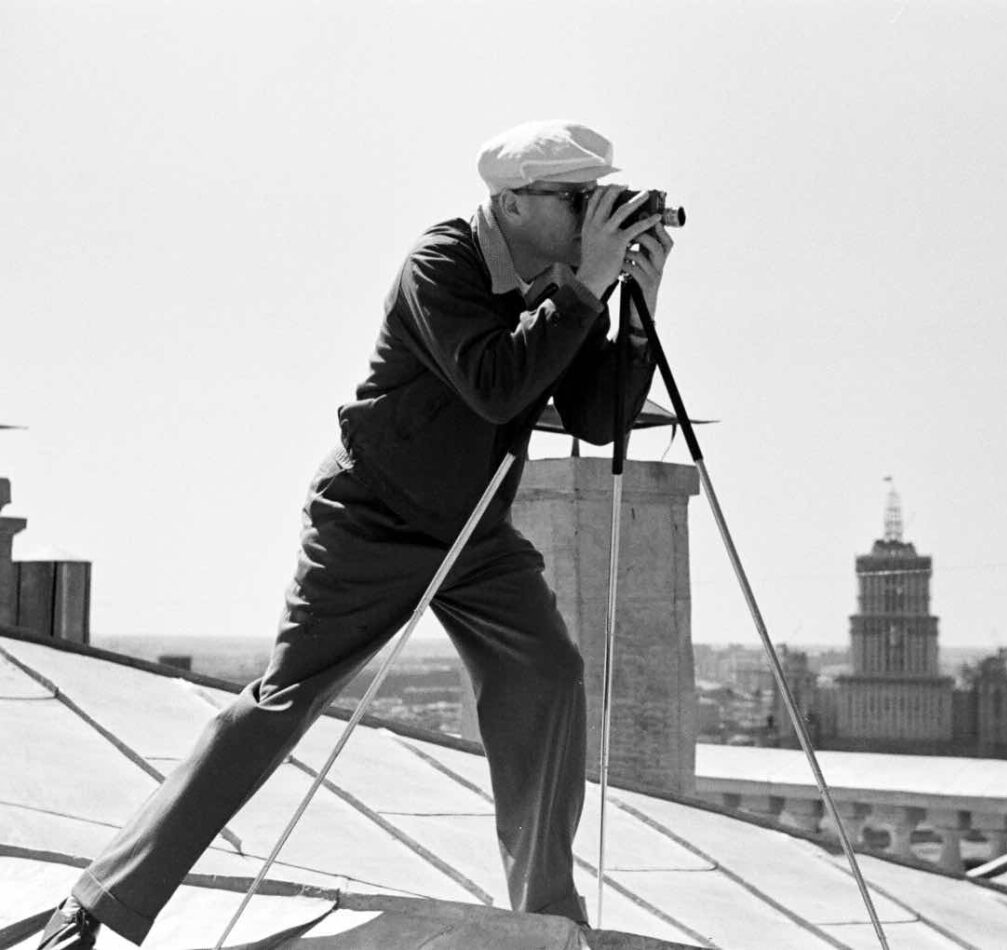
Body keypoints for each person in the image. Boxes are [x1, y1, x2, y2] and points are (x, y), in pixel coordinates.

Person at [39, 118, 674, 949]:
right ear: (514, 204)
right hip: (373, 517)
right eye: (578, 198)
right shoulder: (443, 262)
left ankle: (546, 917)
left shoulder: (565, 282)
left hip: (473, 531)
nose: (596, 213)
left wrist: (637, 313)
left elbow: (595, 418)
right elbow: (497, 384)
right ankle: (99, 902)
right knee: (282, 702)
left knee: (547, 673)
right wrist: (585, 290)